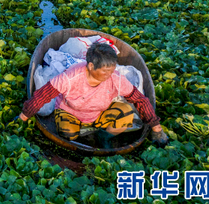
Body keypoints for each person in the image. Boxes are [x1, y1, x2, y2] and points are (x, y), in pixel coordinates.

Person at [18, 42, 169, 148]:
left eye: (112, 69)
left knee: (127, 115)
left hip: (98, 114)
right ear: (90, 66)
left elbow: (140, 100)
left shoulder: (115, 78)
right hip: (70, 112)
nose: (110, 74)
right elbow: (42, 96)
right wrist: (23, 118)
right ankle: (83, 131)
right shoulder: (70, 78)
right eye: (105, 71)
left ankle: (104, 136)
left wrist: (156, 128)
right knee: (68, 133)